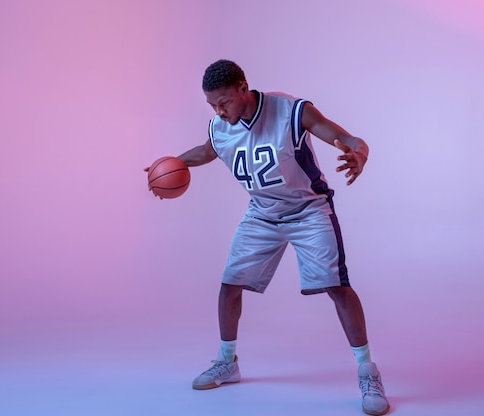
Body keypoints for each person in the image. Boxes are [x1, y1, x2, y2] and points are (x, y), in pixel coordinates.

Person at [146, 59, 389, 416]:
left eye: (224, 101)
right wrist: (165, 166)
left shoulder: (291, 111)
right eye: (212, 104)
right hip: (262, 213)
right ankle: (227, 362)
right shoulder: (220, 126)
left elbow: (348, 138)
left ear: (243, 88)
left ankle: (368, 372)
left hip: (309, 210)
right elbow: (206, 151)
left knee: (337, 287)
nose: (218, 110)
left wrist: (359, 153)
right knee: (230, 284)